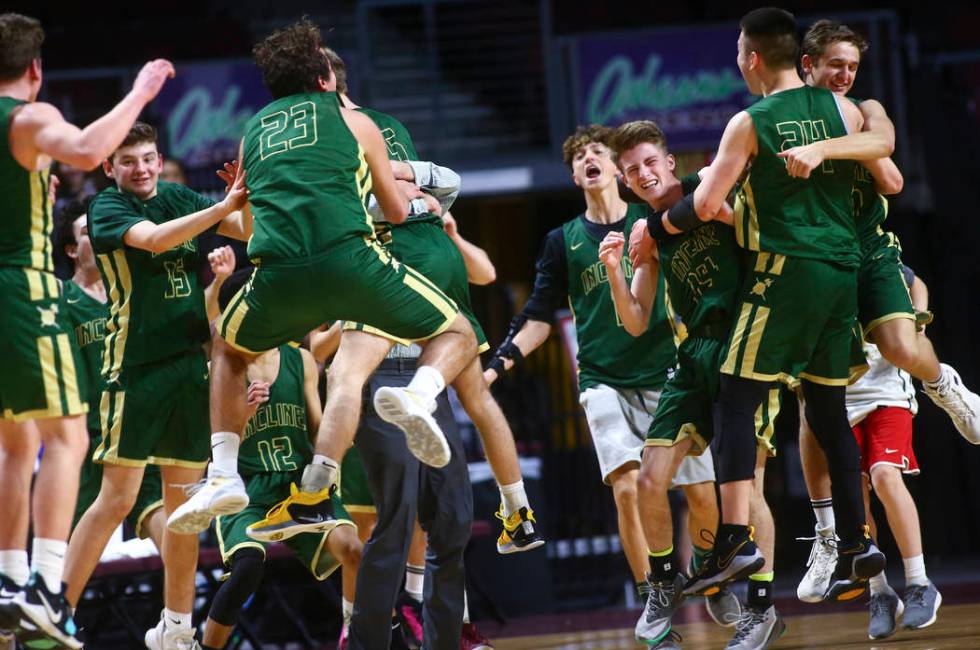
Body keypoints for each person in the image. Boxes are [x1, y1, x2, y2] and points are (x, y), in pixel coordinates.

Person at [172, 18, 480, 543]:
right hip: (351, 267)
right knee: (459, 335)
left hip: (280, 277)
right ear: (324, 79)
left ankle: (224, 471)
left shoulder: (252, 134)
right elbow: (396, 213)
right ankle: (419, 397)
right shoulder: (357, 125)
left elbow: (248, 228)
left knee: (227, 347)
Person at [633, 7, 891, 605]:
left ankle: (734, 537)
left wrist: (655, 229)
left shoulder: (749, 122)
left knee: (732, 395)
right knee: (827, 407)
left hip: (787, 270)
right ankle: (856, 540)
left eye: (738, 55)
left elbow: (703, 203)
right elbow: (888, 160)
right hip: (842, 274)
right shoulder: (843, 109)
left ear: (752, 57)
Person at [485, 124, 728, 630]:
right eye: (580, 156)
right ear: (575, 175)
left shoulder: (652, 218)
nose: (589, 159)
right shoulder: (563, 242)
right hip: (602, 379)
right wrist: (496, 365)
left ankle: (711, 576)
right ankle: (654, 597)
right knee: (627, 487)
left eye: (598, 152)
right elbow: (537, 317)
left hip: (668, 371)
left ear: (618, 169)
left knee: (702, 494)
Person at [0, 12, 173, 648]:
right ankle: (47, 586)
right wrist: (141, 93)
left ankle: (11, 582)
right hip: (20, 286)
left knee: (15, 444)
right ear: (36, 70)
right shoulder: (28, 118)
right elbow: (87, 150)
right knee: (68, 439)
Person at [793, 20, 973, 615]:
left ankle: (942, 382)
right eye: (834, 65)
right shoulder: (783, 120)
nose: (845, 75)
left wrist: (824, 150)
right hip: (816, 276)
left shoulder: (863, 108)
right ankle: (864, 576)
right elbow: (883, 174)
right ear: (806, 65)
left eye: (851, 65)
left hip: (865, 258)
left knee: (898, 350)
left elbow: (887, 159)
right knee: (830, 448)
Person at [61, 122, 249, 650]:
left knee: (185, 506)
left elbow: (249, 231)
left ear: (158, 157)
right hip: (136, 365)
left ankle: (176, 627)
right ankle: (57, 612)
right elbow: (158, 239)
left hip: (190, 364)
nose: (140, 169)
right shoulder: (106, 210)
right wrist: (222, 207)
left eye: (147, 158)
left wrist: (252, 192)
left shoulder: (177, 194)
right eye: (128, 161)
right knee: (116, 498)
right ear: (109, 168)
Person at [607, 120, 783, 649]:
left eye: (648, 162)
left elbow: (762, 235)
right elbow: (637, 320)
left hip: (743, 343)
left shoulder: (711, 191)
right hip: (691, 357)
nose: (642, 174)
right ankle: (663, 583)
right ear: (625, 179)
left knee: (747, 489)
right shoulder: (646, 232)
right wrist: (615, 269)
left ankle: (761, 607)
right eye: (631, 169)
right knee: (648, 478)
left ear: (668, 162)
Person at [201, 275, 362, 650]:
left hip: (299, 486)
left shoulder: (301, 359)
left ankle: (353, 637)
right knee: (246, 569)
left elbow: (319, 426)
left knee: (355, 551)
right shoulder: (220, 370)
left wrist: (346, 425)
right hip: (249, 489)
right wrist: (243, 411)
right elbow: (213, 451)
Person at [52, 197, 166, 548]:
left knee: (165, 519)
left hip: (135, 428)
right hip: (88, 435)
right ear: (72, 249)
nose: (100, 236)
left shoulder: (133, 295)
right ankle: (59, 602)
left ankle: (183, 603)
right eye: (88, 232)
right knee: (72, 544)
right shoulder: (61, 299)